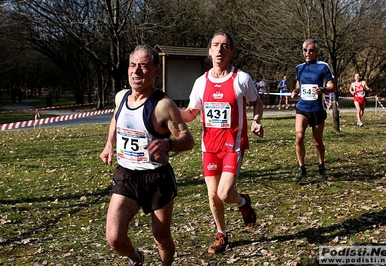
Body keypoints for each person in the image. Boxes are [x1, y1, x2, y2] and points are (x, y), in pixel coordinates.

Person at [100, 44, 194, 266]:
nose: (136, 71)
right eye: (133, 66)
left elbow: (188, 140)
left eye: (143, 66)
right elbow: (116, 119)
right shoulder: (121, 97)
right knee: (114, 238)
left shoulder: (163, 105)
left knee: (161, 237)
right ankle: (136, 258)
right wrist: (109, 144)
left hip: (157, 178)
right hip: (126, 176)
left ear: (155, 71)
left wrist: (168, 144)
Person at [180, 31, 264, 254]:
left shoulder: (242, 79)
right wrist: (172, 113)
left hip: (232, 146)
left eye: (225, 46)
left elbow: (257, 103)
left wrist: (256, 121)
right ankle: (222, 234)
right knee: (212, 194)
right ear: (209, 51)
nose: (219, 49)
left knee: (225, 193)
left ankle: (243, 202)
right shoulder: (201, 82)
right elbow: (191, 113)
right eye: (215, 45)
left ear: (232, 52)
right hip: (209, 147)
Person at [290, 39, 336, 182]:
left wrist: (322, 89)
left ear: (316, 52)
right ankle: (301, 168)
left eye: (311, 50)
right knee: (298, 137)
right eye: (305, 50)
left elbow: (332, 86)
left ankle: (321, 166)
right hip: (302, 108)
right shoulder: (299, 68)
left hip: (317, 109)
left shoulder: (323, 67)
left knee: (317, 141)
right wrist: (295, 91)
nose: (307, 53)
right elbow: (299, 84)